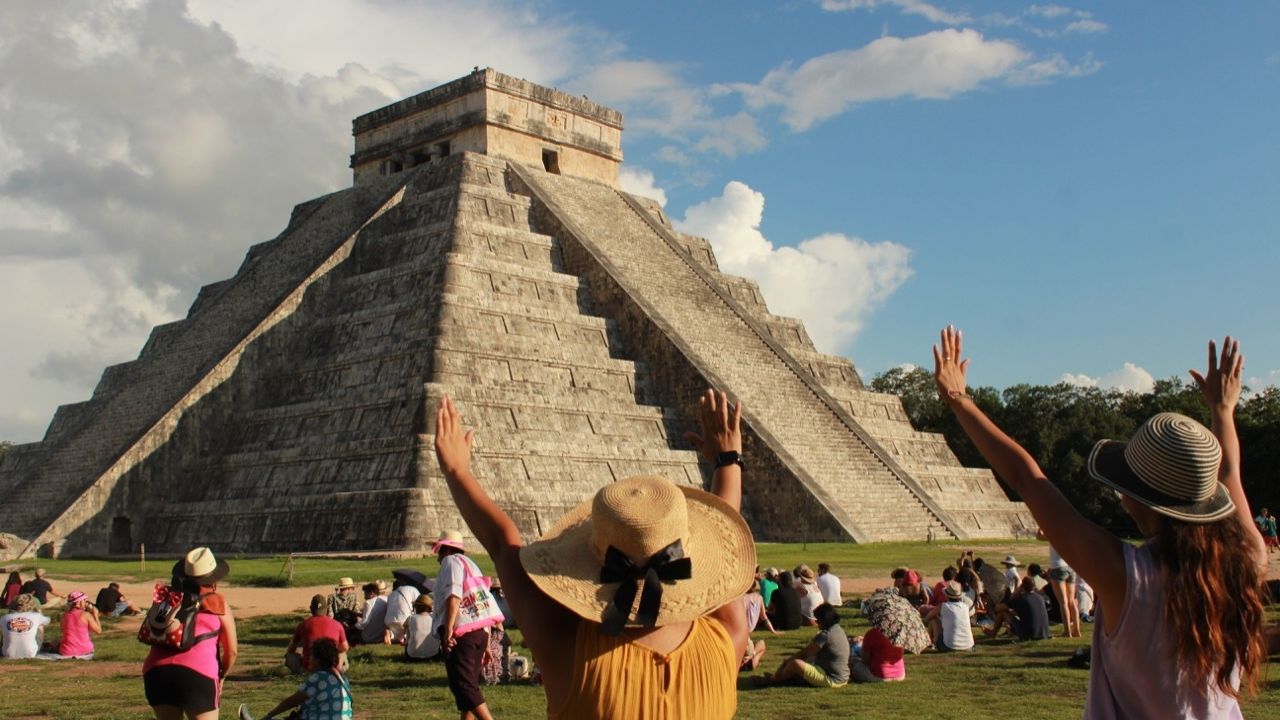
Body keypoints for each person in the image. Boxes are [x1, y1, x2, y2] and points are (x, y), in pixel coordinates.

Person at [933, 328, 1267, 716]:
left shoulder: (1126, 576)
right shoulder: (1246, 563)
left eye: (1124, 487)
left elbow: (1027, 478)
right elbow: (1230, 475)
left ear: (1143, 500)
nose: (1121, 497)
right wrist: (1223, 411)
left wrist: (958, 400)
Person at [432, 389, 754, 719]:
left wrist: (457, 471)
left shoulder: (568, 650)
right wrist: (728, 461)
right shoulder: (726, 642)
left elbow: (503, 543)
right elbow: (729, 547)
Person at [143, 546, 238, 720]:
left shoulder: (167, 599)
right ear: (213, 579)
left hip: (155, 672)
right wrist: (222, 675)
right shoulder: (217, 603)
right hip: (198, 675)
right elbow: (231, 651)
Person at [429, 529, 505, 719]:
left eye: (439, 551)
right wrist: (486, 642)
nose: (438, 558)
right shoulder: (472, 565)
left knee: (462, 685)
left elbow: (453, 596)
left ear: (445, 550)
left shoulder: (450, 562)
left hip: (461, 632)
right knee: (468, 686)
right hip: (479, 630)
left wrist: (448, 630)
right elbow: (482, 605)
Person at [243, 637, 352, 720]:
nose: (310, 659)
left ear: (318, 660)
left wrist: (269, 715)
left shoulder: (319, 678)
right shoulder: (342, 679)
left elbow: (293, 701)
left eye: (312, 656)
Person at [756, 603, 849, 688]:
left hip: (831, 679)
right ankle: (781, 677)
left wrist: (786, 662)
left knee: (795, 663)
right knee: (807, 661)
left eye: (818, 620)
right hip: (842, 676)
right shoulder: (838, 629)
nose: (816, 622)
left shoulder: (825, 635)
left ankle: (775, 680)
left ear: (823, 620)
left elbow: (804, 654)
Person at [285, 594, 348, 675]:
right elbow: (345, 647)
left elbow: (291, 649)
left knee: (290, 656)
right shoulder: (337, 624)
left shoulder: (303, 624)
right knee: (343, 654)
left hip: (309, 668)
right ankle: (338, 670)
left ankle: (304, 671)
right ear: (327, 609)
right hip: (332, 667)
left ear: (311, 609)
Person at [1038, 529, 1082, 638]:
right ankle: (1076, 630)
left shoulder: (1054, 533)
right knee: (1072, 601)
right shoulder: (1070, 534)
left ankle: (1067, 631)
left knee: (1063, 603)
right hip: (1070, 566)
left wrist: (1041, 525)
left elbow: (1038, 536)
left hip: (1057, 567)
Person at [925, 581, 974, 652]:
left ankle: (928, 642)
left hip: (948, 646)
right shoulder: (965, 607)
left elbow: (928, 617)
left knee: (933, 619)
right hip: (969, 646)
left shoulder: (943, 606)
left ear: (947, 595)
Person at [50, 591, 100, 659]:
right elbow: (98, 631)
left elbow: (63, 631)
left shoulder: (64, 616)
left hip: (66, 651)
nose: (86, 603)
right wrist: (95, 615)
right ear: (78, 602)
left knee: (55, 641)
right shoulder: (86, 615)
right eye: (84, 600)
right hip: (85, 650)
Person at [2, 593, 50, 659]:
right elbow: (47, 621)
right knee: (40, 626)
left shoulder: (5, 617)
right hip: (31, 653)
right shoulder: (36, 616)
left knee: (4, 629)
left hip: (7, 653)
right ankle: (36, 646)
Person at [383, 578, 420, 644]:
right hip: (404, 621)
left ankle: (391, 634)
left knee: (397, 634)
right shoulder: (412, 589)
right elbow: (421, 602)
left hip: (389, 621)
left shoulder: (390, 595)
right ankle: (405, 639)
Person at [404, 594, 440, 661]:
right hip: (434, 655)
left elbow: (406, 635)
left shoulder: (410, 618)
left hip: (412, 656)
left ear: (416, 607)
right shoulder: (435, 618)